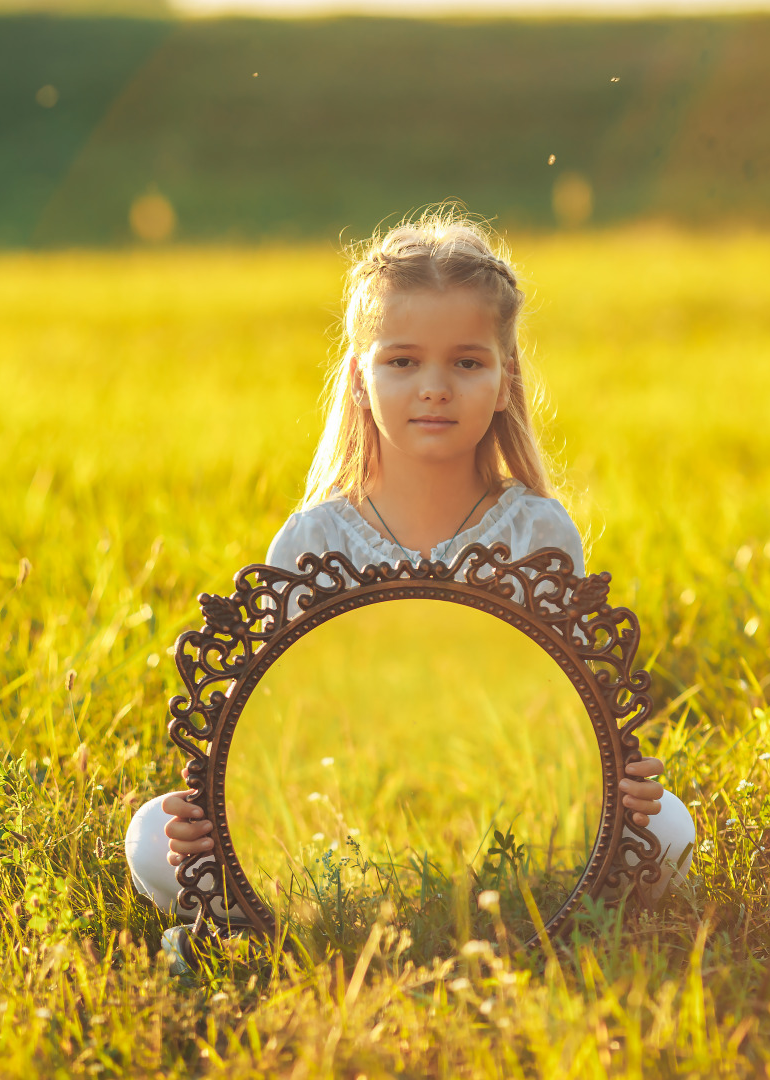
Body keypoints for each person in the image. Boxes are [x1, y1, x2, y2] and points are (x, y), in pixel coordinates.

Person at [124, 207, 695, 935]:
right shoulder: (312, 540)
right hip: (338, 813)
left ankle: (439, 903)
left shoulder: (536, 533)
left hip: (500, 813)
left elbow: (558, 714)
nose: (434, 387)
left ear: (503, 378)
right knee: (151, 837)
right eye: (402, 361)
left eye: (466, 362)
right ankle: (398, 902)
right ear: (360, 377)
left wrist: (613, 785)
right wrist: (217, 808)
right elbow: (273, 722)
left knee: (669, 829)